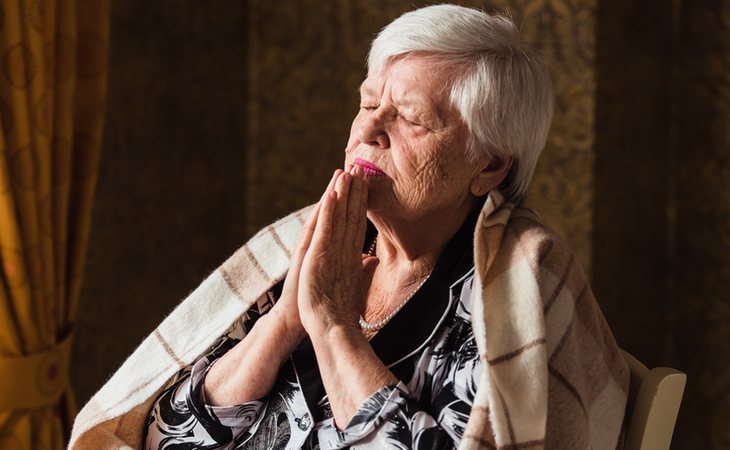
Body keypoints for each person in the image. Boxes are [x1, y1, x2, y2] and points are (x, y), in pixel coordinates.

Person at [69, 4, 628, 450]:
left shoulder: (516, 281)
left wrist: (335, 328)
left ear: (488, 166)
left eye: (410, 118)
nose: (370, 129)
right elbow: (165, 438)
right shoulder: (319, 243)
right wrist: (285, 322)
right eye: (367, 102)